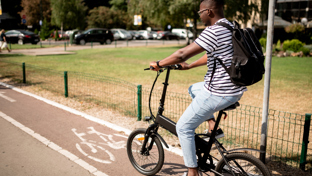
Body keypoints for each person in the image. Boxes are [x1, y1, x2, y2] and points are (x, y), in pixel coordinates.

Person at [149, 0, 247, 175]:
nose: (199, 16)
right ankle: (213, 126)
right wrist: (190, 66)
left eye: (200, 12)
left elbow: (181, 54)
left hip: (219, 92)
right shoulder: (229, 26)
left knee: (183, 127)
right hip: (233, 89)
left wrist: (159, 63)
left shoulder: (214, 30)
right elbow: (212, 55)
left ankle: (193, 172)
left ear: (208, 12)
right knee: (193, 88)